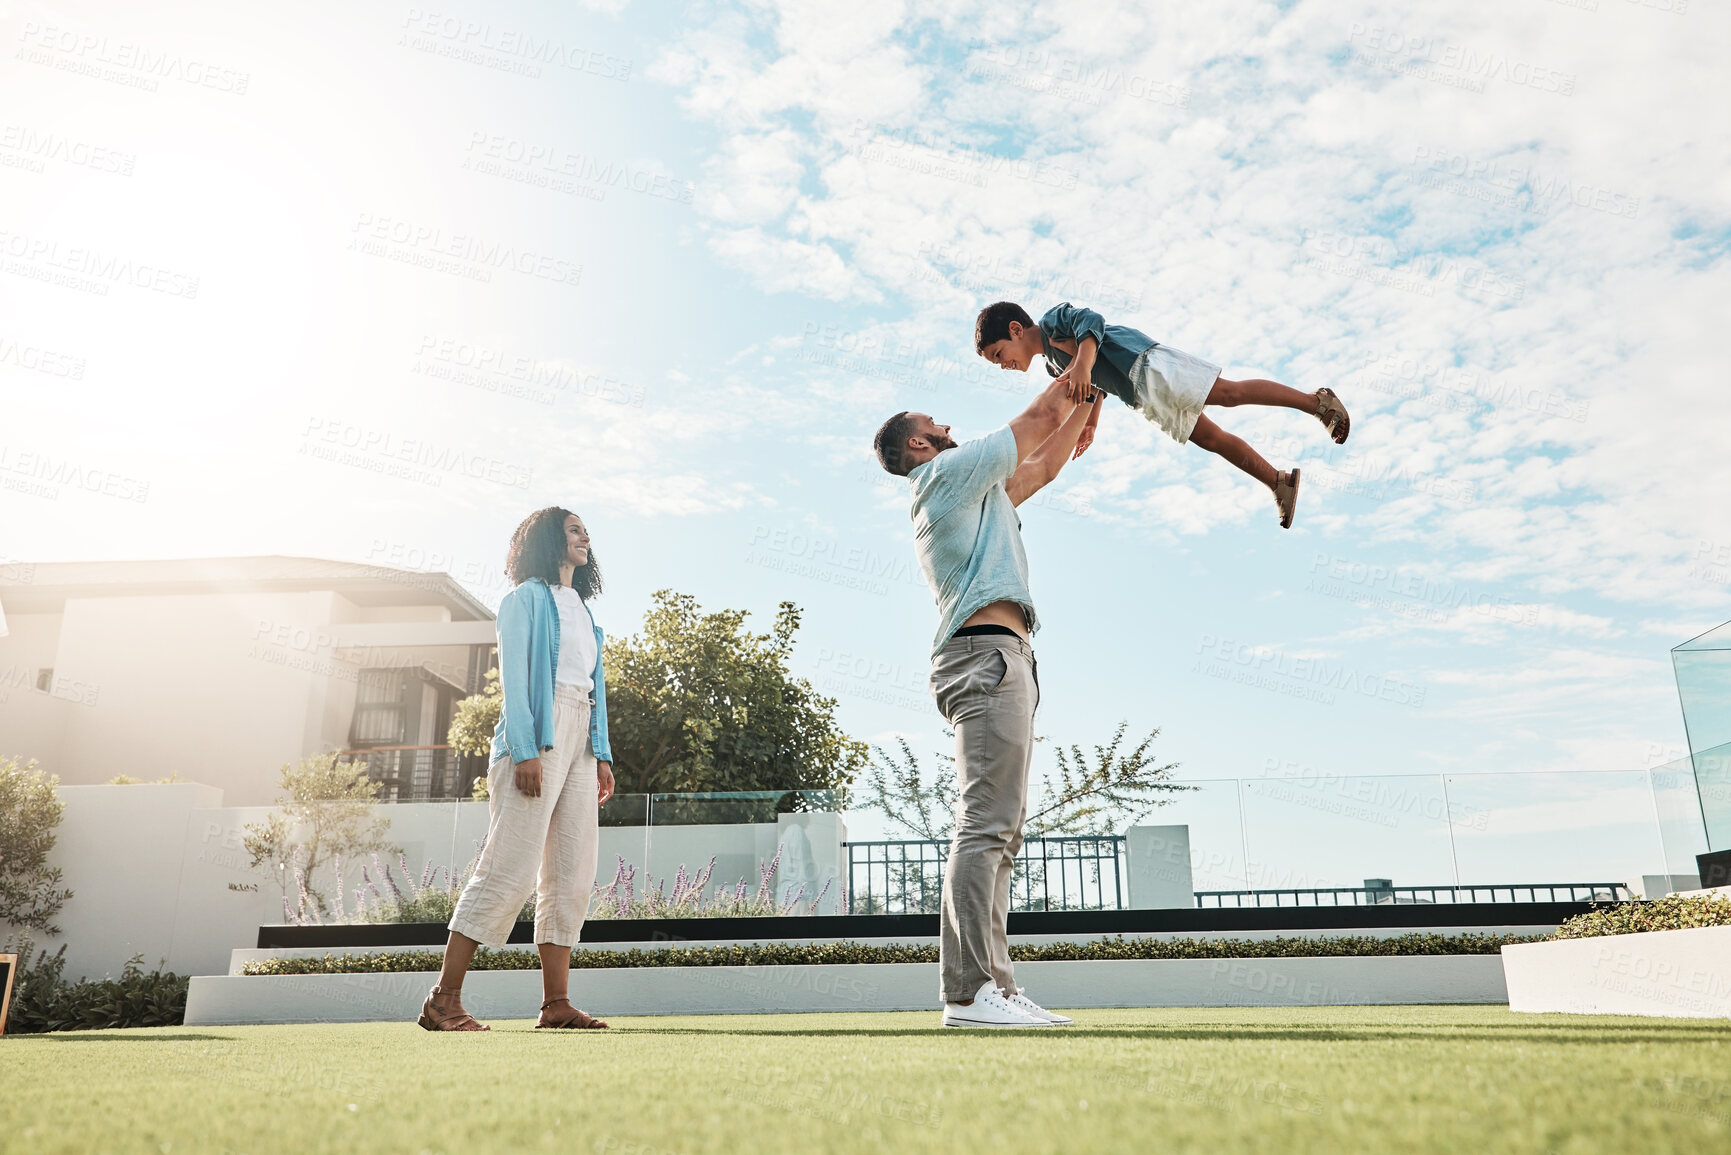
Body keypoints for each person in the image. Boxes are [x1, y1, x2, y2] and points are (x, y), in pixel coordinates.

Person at [871, 373, 1098, 1028]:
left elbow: (1046, 458)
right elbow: (1038, 416)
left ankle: (991, 982)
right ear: (920, 441)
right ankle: (970, 991)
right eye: (934, 422)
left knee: (1003, 829)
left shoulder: (978, 494)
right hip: (984, 656)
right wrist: (1085, 352)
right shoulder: (941, 477)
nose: (948, 425)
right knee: (984, 825)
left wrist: (1095, 393)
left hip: (1007, 654)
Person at [418, 507, 617, 1032]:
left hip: (579, 742)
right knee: (508, 869)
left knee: (571, 875)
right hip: (536, 736)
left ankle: (556, 1005)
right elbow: (516, 679)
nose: (584, 537)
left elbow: (592, 691)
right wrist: (526, 749)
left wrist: (601, 756)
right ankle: (444, 999)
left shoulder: (584, 612)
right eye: (574, 529)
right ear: (550, 539)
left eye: (585, 531)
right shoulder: (523, 600)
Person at [974, 300, 1353, 529]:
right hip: (1142, 396)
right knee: (1212, 440)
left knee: (1228, 393)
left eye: (998, 354)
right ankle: (1278, 481)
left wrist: (1083, 365)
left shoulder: (1053, 322)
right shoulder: (1055, 368)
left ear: (1015, 329)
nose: (1001, 364)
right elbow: (1096, 387)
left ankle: (1316, 402)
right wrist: (1091, 420)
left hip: (1145, 365)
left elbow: (1091, 322)